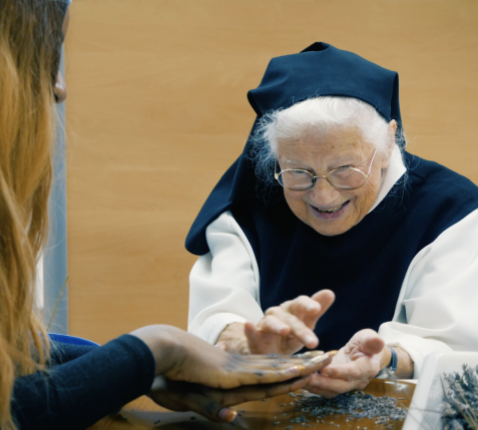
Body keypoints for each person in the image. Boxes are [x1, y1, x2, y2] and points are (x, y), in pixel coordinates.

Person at [0, 3, 335, 430]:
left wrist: (127, 368)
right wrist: (159, 350)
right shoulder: (240, 219)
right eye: (49, 54)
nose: (60, 87)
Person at [186, 42, 478, 397]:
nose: (323, 197)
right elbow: (217, 315)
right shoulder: (248, 210)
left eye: (345, 170)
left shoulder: (450, 211)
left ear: (388, 143)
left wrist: (385, 359)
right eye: (299, 173)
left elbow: (452, 344)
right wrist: (246, 343)